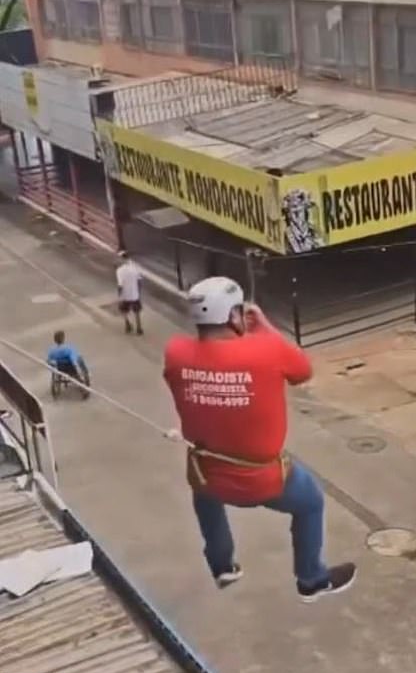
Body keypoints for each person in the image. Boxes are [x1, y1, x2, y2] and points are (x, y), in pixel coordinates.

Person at [163, 276, 356, 602]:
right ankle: (311, 578)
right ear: (233, 315)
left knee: (205, 495)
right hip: (262, 479)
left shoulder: (176, 353)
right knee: (310, 503)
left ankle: (222, 564)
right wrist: (264, 327)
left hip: (207, 473)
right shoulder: (266, 349)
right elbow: (302, 371)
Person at [46, 330, 90, 398]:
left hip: (60, 368)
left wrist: (53, 365)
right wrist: (77, 368)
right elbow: (73, 360)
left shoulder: (52, 350)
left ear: (55, 340)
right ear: (63, 339)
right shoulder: (69, 348)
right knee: (80, 358)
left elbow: (48, 361)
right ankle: (85, 377)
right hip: (71, 368)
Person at [116, 251, 143, 335]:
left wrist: (119, 295)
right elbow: (139, 281)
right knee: (137, 311)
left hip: (125, 295)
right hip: (135, 294)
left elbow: (120, 285)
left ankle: (127, 324)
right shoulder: (136, 267)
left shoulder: (120, 270)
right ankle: (139, 328)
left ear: (121, 258)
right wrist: (138, 291)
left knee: (124, 310)